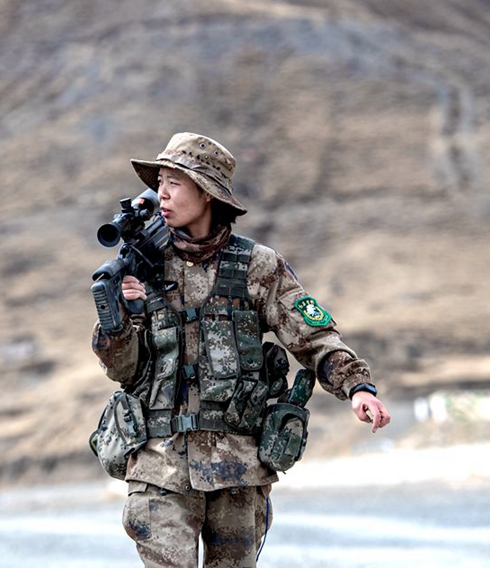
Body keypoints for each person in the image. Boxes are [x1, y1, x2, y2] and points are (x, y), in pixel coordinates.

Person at [91, 133, 391, 567]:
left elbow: (314, 335)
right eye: (160, 181)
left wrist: (358, 387)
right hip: (159, 467)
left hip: (238, 469)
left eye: (175, 181)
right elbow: (122, 370)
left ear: (206, 192)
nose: (162, 193)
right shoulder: (137, 268)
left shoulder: (257, 266)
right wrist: (120, 318)